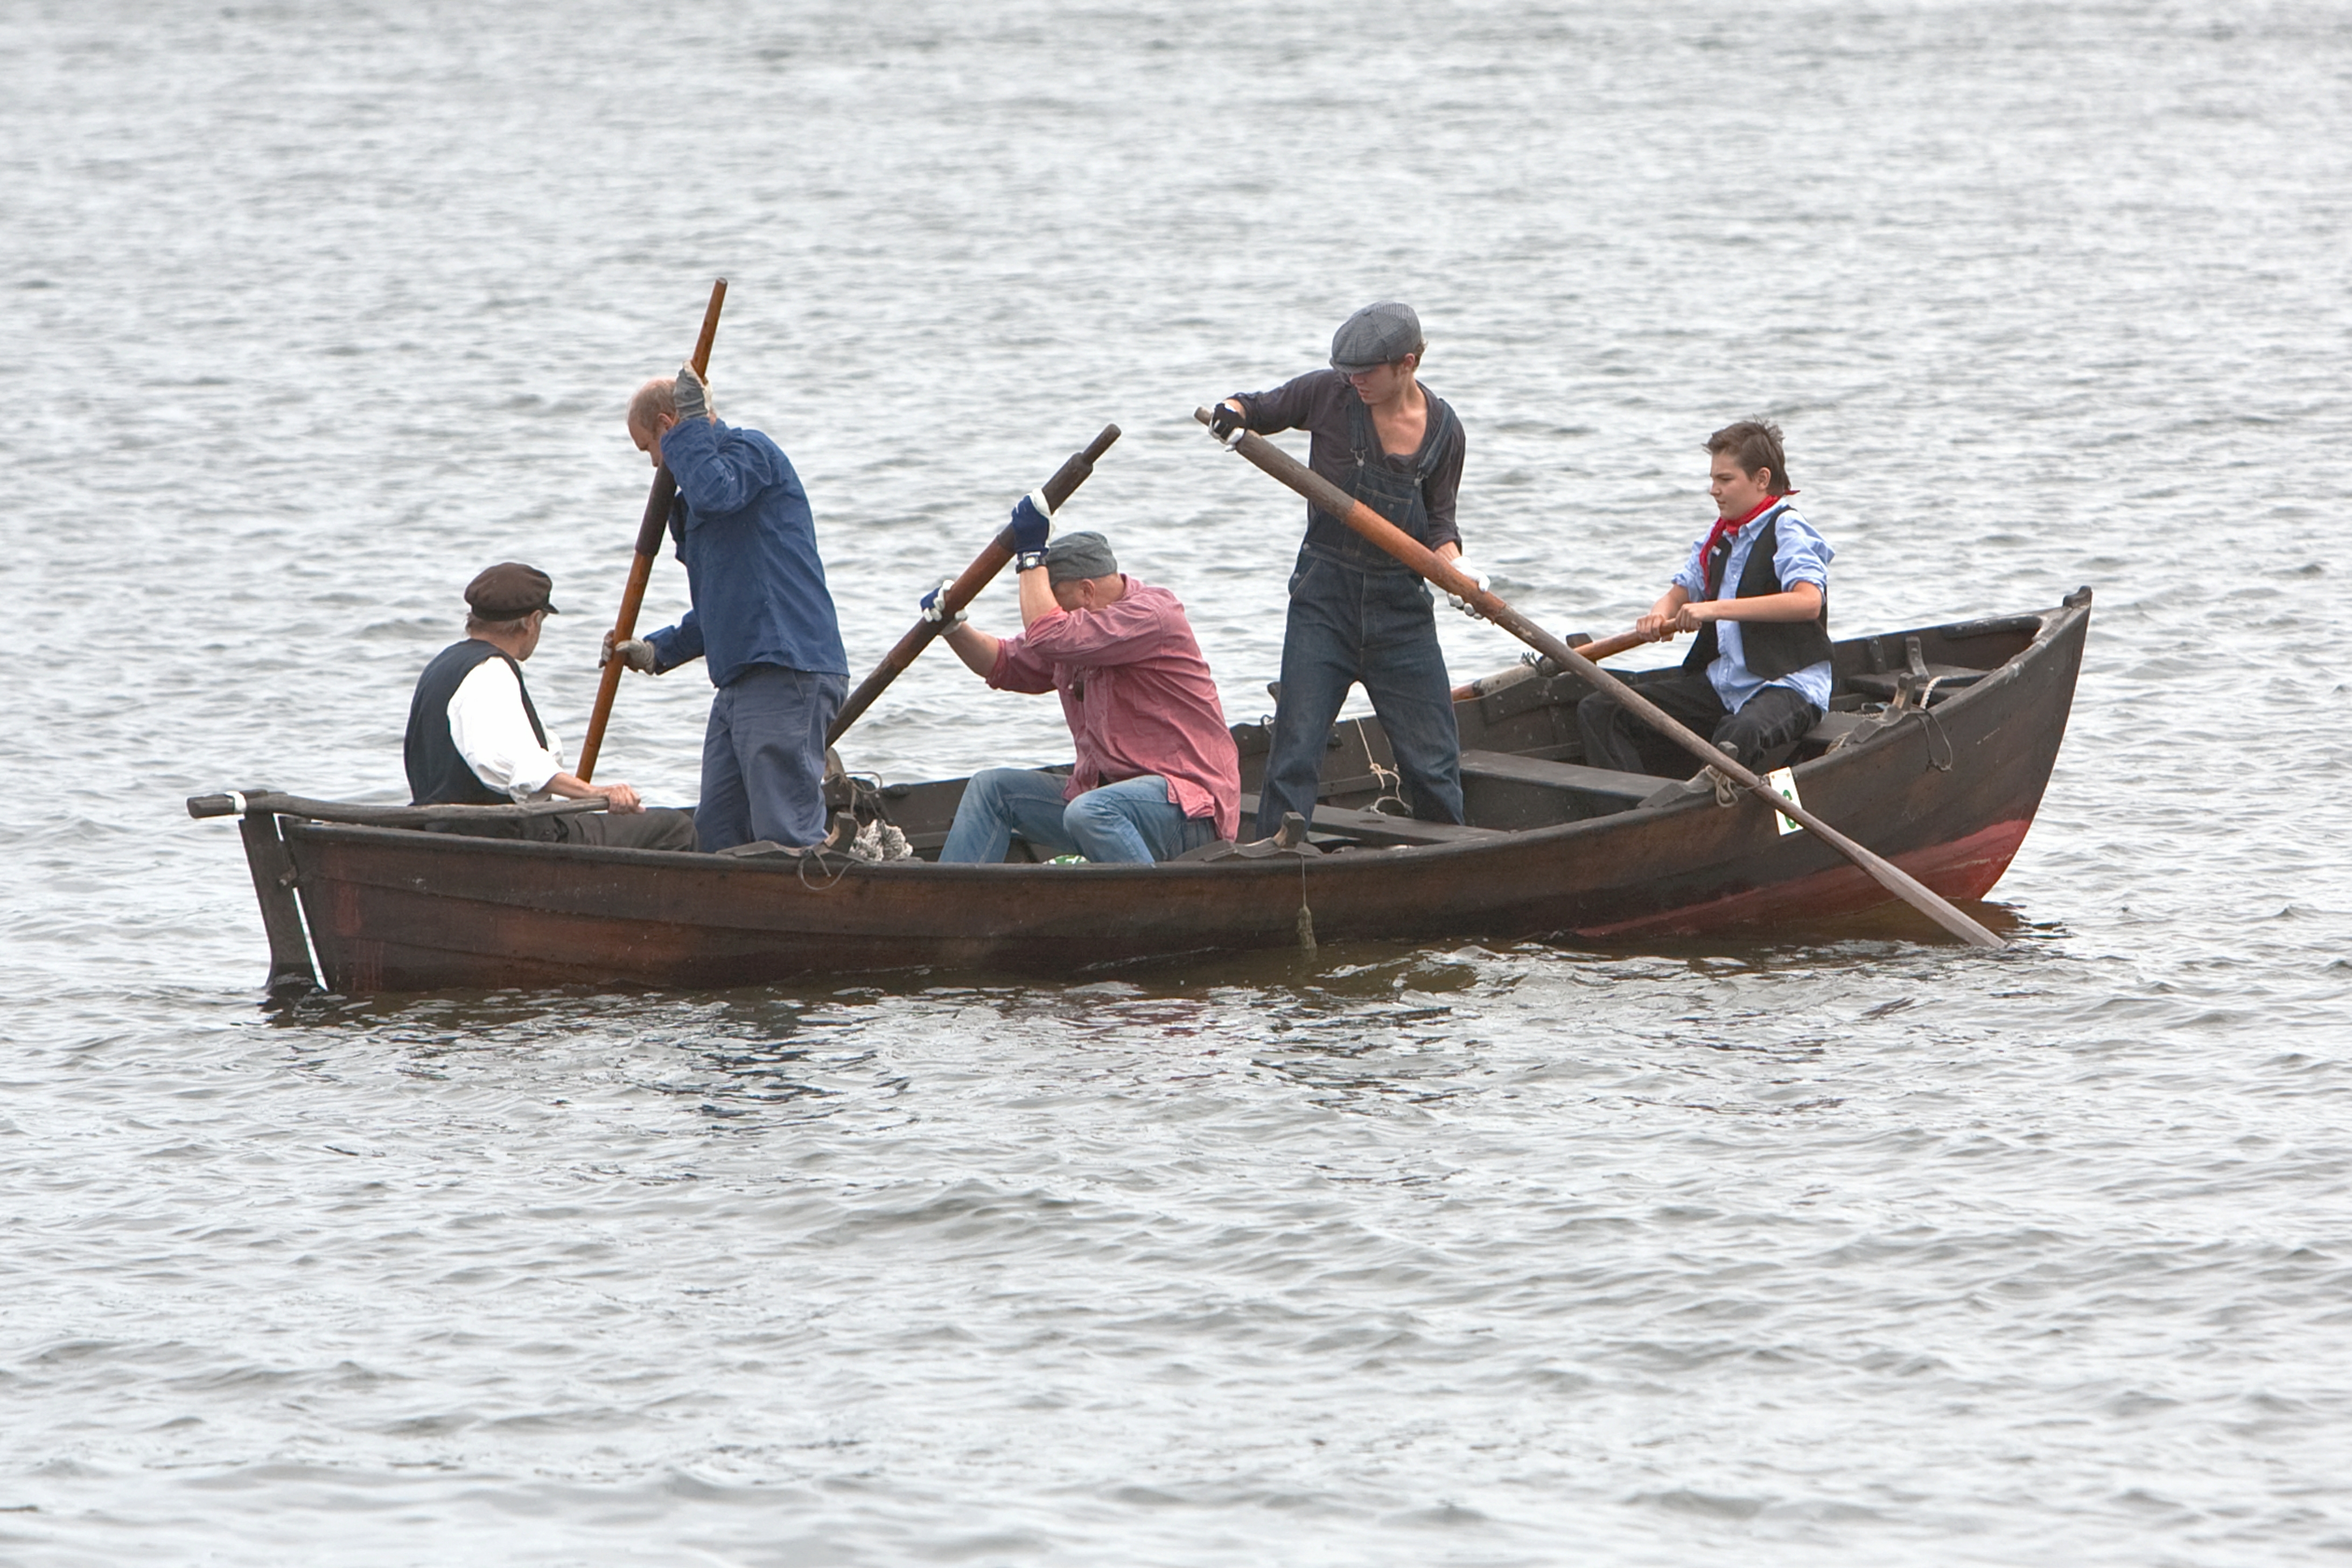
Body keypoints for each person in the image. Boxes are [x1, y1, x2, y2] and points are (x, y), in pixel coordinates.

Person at [1207, 302, 1479, 838]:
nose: (1354, 381)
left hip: (1402, 616)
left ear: (1408, 362)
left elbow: (1439, 529)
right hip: (1322, 604)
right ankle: (1277, 865)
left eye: (1366, 372)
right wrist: (1228, 412)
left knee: (1433, 762)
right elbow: (1255, 407)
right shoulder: (1327, 394)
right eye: (1346, 370)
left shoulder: (1447, 433)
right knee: (1295, 752)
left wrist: (1462, 575)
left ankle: (1449, 864)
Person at [605, 366, 850, 852]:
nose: (656, 465)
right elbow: (724, 607)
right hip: (742, 681)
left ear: (666, 424)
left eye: (650, 448)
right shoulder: (699, 493)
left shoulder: (750, 453)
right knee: (717, 832)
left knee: (785, 835)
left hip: (786, 672)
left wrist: (690, 425)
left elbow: (718, 493)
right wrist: (657, 651)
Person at [925, 520, 1240, 864]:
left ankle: (1153, 905)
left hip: (1189, 812)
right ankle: (952, 906)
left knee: (1089, 812)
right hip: (1104, 804)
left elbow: (1048, 635)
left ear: (1087, 592)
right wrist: (953, 627)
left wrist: (1030, 557)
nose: (1049, 615)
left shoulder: (1152, 614)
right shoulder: (1075, 638)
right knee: (992, 790)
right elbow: (1005, 663)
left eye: (1055, 603)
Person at [1577, 419, 1834, 780]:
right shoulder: (1718, 539)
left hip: (1787, 687)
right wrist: (1658, 615)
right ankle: (1631, 815)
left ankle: (1694, 815)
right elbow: (1678, 595)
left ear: (1762, 479)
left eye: (1725, 480)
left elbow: (1808, 602)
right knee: (1601, 709)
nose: (1714, 490)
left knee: (1737, 734)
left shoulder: (1788, 529)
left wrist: (1712, 609)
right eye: (1713, 480)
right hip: (1724, 685)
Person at [404, 562, 696, 849]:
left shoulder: (443, 664)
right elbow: (523, 764)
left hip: (443, 828)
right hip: (502, 837)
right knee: (677, 828)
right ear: (532, 621)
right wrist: (596, 792)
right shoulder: (491, 672)